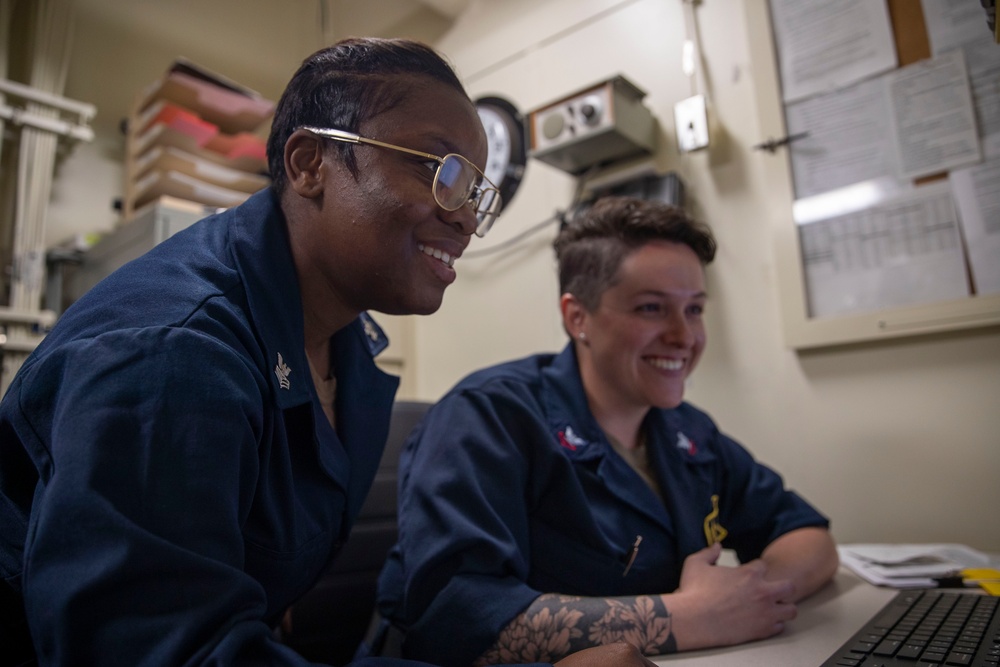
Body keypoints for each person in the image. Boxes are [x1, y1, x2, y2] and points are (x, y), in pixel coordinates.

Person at [0, 37, 653, 667]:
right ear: (309, 163)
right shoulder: (170, 357)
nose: (464, 218)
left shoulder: (347, 351)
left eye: (475, 191)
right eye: (440, 170)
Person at [371, 196, 840, 666]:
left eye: (695, 310)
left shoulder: (685, 430)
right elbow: (455, 621)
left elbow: (805, 534)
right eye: (652, 308)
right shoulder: (489, 417)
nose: (684, 336)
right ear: (578, 317)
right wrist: (686, 616)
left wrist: (752, 596)